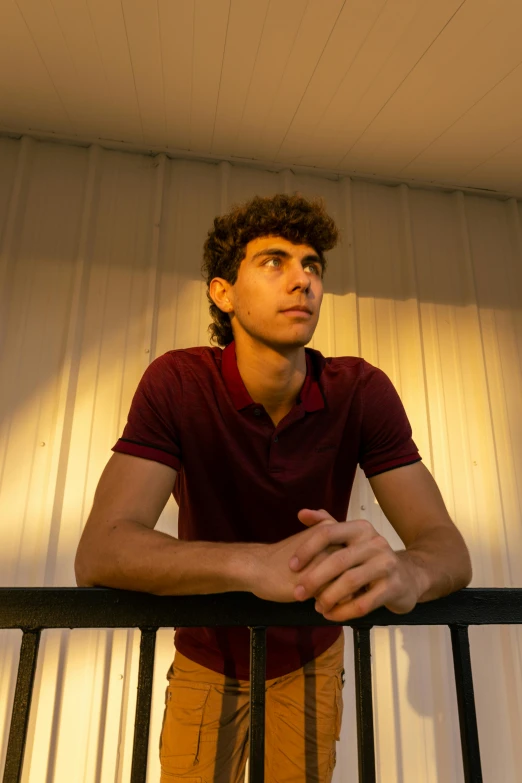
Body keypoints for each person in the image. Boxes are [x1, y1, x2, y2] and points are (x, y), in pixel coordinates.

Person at [74, 192, 472, 782]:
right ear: (223, 293)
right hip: (207, 658)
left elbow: (446, 548)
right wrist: (256, 565)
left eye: (312, 265)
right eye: (274, 262)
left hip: (313, 654)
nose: (302, 281)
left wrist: (406, 573)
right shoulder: (178, 382)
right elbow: (102, 551)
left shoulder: (361, 389)